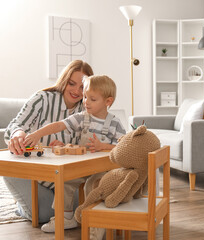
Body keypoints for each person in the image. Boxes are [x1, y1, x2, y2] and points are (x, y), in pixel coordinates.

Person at [24, 75, 126, 232]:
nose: (85, 102)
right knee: (64, 181)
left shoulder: (114, 123)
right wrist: (37, 134)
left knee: (94, 184)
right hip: (83, 167)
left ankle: (97, 222)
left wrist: (103, 146)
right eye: (85, 97)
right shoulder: (82, 118)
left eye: (92, 99)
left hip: (104, 170)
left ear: (108, 102)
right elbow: (59, 126)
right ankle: (65, 218)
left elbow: (124, 147)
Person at [3, 60, 93, 225]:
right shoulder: (42, 99)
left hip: (62, 177)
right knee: (45, 215)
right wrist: (18, 133)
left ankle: (34, 200)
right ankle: (22, 205)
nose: (76, 91)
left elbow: (86, 147)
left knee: (80, 208)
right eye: (71, 83)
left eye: (82, 87)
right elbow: (13, 127)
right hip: (32, 173)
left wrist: (66, 147)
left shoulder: (86, 109)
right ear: (64, 80)